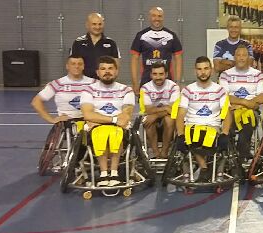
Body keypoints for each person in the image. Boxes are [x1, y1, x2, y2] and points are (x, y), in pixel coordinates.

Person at [80, 56, 135, 187]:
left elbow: (125, 116)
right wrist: (114, 119)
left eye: (110, 68)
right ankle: (104, 173)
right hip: (98, 129)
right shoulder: (88, 90)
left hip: (118, 129)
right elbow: (87, 114)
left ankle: (114, 173)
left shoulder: (126, 90)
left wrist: (98, 119)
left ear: (116, 71)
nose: (107, 71)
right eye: (103, 69)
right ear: (97, 72)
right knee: (101, 133)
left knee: (115, 132)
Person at [175, 57, 233, 179]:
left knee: (208, 137)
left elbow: (227, 113)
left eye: (206, 68)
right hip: (192, 127)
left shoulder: (220, 90)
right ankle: (205, 167)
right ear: (195, 71)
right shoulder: (188, 90)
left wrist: (225, 133)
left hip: (212, 127)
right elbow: (180, 114)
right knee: (193, 135)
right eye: (199, 69)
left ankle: (204, 167)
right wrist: (180, 134)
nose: (203, 72)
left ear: (211, 70)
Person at [219, 44, 263, 162]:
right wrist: (245, 102)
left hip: (250, 112)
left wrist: (240, 104)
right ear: (234, 57)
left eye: (244, 55)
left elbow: (261, 98)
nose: (241, 58)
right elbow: (223, 97)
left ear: (249, 57)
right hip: (231, 111)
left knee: (247, 125)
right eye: (238, 55)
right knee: (227, 126)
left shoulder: (258, 75)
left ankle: (241, 157)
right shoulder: (225, 75)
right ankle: (228, 157)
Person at [130, 6, 183, 94]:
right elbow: (134, 59)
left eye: (159, 16)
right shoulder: (141, 35)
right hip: (146, 81)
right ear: (149, 17)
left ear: (163, 17)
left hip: (167, 81)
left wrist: (178, 81)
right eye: (154, 16)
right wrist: (135, 83)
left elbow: (178, 58)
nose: (157, 19)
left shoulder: (171, 36)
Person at [31, 55, 95, 124]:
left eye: (80, 64)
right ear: (67, 66)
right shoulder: (57, 83)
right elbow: (36, 102)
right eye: (73, 64)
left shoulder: (94, 83)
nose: (76, 66)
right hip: (67, 123)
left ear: (83, 66)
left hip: (90, 123)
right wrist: (51, 120)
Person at [140, 61, 180, 158]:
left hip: (167, 118)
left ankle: (164, 153)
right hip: (154, 118)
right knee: (147, 120)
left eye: (161, 74)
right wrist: (165, 108)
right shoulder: (145, 88)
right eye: (155, 74)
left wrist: (156, 114)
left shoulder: (174, 87)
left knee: (169, 119)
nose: (158, 77)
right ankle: (156, 153)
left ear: (166, 74)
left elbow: (172, 110)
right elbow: (148, 110)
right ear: (151, 75)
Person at [70, 13, 120, 79]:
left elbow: (116, 67)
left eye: (100, 24)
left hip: (104, 82)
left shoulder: (111, 43)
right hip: (84, 82)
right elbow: (72, 65)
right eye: (94, 24)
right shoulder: (78, 42)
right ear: (87, 25)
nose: (97, 27)